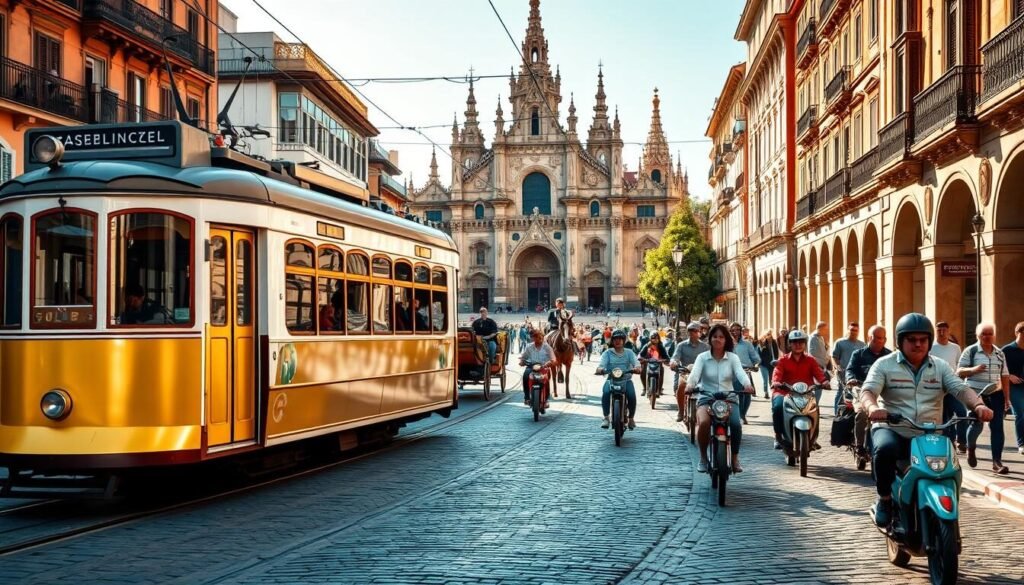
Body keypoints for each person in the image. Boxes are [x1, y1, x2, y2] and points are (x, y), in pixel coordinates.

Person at [861, 313, 993, 526]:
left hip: (929, 433)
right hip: (893, 428)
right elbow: (868, 391)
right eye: (911, 340)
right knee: (884, 449)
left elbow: (960, 389)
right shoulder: (884, 365)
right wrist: (873, 407)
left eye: (923, 339)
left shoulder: (940, 366)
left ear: (929, 341)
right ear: (900, 341)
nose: (918, 344)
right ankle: (885, 499)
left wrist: (978, 405)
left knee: (951, 466)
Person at [683, 323, 753, 472]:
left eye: (721, 337)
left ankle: (734, 458)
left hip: (729, 398)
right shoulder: (702, 357)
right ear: (710, 339)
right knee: (703, 423)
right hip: (706, 397)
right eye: (715, 336)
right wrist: (690, 386)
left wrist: (747, 385)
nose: (718, 339)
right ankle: (703, 458)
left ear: (726, 339)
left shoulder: (733, 358)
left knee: (735, 424)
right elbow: (695, 374)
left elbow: (740, 373)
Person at [958, 322, 1012, 474]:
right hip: (975, 394)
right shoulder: (971, 351)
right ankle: (971, 448)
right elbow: (959, 372)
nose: (987, 337)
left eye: (990, 333)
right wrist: (974, 370)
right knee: (977, 425)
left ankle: (997, 462)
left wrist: (1007, 398)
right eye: (984, 334)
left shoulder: (1000, 353)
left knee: (997, 427)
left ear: (994, 335)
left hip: (995, 393)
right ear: (978, 336)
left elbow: (1005, 375)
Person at [771, 329, 827, 451]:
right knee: (777, 407)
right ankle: (778, 436)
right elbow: (777, 372)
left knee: (815, 409)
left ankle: (812, 437)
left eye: (801, 342)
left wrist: (824, 381)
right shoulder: (783, 360)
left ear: (805, 343)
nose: (798, 345)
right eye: (794, 342)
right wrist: (776, 382)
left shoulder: (810, 360)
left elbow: (818, 373)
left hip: (805, 394)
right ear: (789, 344)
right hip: (785, 392)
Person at [845, 325, 891, 459]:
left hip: (882, 392)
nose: (878, 341)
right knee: (861, 413)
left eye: (881, 338)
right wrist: (851, 378)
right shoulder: (858, 354)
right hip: (861, 389)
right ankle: (859, 446)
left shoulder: (889, 356)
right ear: (868, 338)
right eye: (875, 338)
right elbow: (850, 369)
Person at [931, 320, 966, 450]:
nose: (941, 332)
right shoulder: (931, 347)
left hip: (952, 386)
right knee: (946, 416)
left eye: (944, 330)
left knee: (961, 412)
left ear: (948, 331)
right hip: (937, 388)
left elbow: (959, 366)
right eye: (939, 330)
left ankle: (961, 440)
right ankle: (949, 442)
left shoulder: (955, 348)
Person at [595, 329, 641, 430]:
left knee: (632, 395)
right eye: (615, 339)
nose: (618, 341)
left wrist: (637, 368)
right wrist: (600, 369)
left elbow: (636, 362)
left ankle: (631, 418)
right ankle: (606, 417)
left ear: (624, 341)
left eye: (620, 339)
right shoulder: (607, 353)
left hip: (626, 380)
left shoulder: (629, 353)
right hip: (611, 379)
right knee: (606, 393)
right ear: (612, 341)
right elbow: (601, 365)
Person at [670, 322, 711, 422]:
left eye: (695, 331)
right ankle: (680, 411)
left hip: (701, 374)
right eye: (690, 331)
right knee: (681, 387)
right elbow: (675, 358)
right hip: (685, 373)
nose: (693, 333)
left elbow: (710, 359)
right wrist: (674, 363)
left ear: (700, 333)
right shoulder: (681, 345)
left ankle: (709, 411)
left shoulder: (705, 347)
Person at [831, 322, 866, 415]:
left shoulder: (862, 345)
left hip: (856, 375)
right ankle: (837, 414)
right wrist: (837, 366)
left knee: (855, 395)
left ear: (858, 332)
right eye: (851, 330)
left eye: (855, 330)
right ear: (848, 330)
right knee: (841, 393)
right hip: (843, 373)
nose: (853, 332)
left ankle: (852, 414)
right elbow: (834, 357)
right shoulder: (840, 342)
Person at [729, 322, 760, 424]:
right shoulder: (727, 344)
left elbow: (755, 358)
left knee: (747, 394)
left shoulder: (747, 344)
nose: (735, 332)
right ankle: (738, 414)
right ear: (730, 331)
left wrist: (756, 365)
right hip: (732, 372)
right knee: (738, 393)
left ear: (741, 331)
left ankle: (743, 414)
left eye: (738, 330)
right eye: (733, 330)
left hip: (746, 371)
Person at [1002, 322, 1024, 457]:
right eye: (1022, 334)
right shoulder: (1007, 350)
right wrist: (1009, 376)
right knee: (1020, 413)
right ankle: (1021, 444)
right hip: (1014, 387)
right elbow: (999, 368)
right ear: (1017, 333)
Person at [519, 328, 556, 406]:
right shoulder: (529, 347)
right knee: (525, 376)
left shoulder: (547, 347)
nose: (538, 339)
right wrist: (522, 361)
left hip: (544, 366)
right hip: (532, 366)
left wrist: (550, 362)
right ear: (532, 338)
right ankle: (527, 398)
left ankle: (546, 399)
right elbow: (524, 357)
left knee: (546, 379)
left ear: (542, 337)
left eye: (539, 337)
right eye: (535, 337)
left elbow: (553, 358)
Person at [638, 332, 669, 397]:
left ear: (659, 339)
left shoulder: (660, 346)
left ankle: (659, 390)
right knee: (642, 371)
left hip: (658, 363)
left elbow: (666, 356)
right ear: (650, 339)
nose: (655, 339)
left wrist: (665, 360)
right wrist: (641, 358)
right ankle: (644, 388)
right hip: (647, 363)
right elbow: (640, 354)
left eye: (657, 338)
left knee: (661, 370)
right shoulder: (646, 346)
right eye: (653, 338)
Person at [808, 321, 831, 403]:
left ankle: (814, 405)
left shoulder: (820, 337)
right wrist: (818, 364)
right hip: (817, 366)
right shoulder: (813, 338)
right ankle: (814, 405)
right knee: (817, 387)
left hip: (822, 365)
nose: (827, 331)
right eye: (825, 329)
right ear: (820, 329)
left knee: (819, 387)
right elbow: (811, 353)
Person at [756, 329, 780, 399]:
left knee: (772, 379)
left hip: (772, 363)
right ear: (765, 335)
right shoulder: (761, 342)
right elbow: (759, 353)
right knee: (765, 379)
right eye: (768, 334)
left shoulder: (774, 342)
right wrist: (762, 348)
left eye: (770, 334)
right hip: (763, 364)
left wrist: (776, 360)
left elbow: (776, 352)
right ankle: (766, 392)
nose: (770, 336)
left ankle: (773, 392)